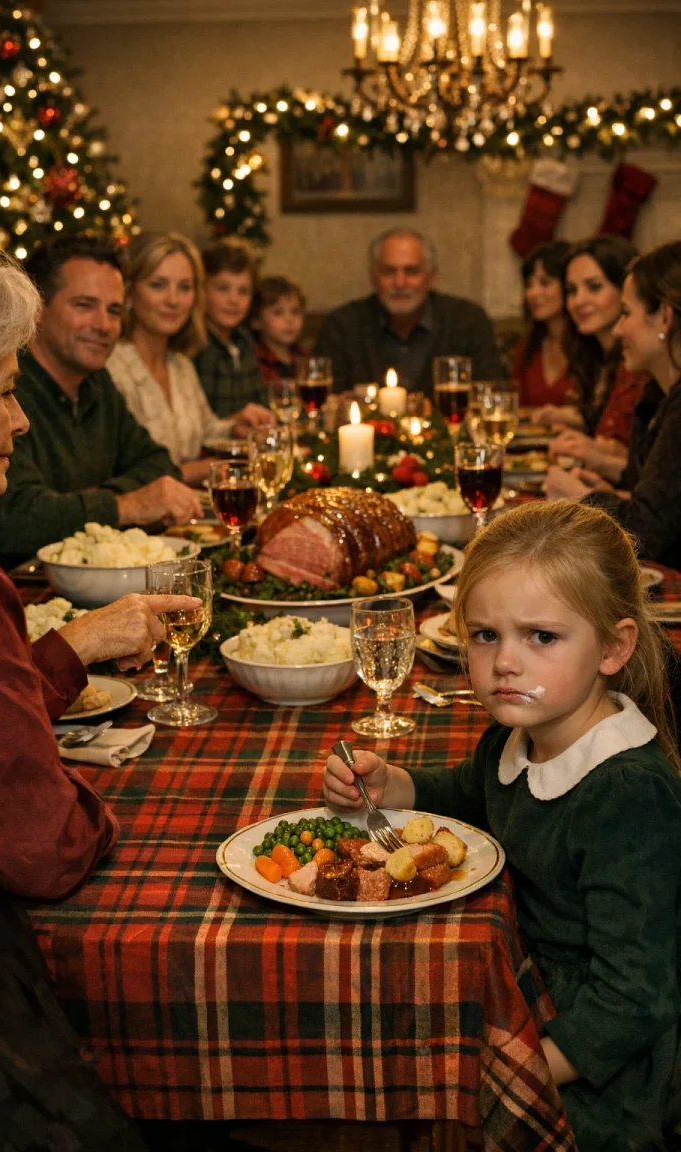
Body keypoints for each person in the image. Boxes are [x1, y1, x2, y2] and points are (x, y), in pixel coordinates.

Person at [0, 231, 209, 1149]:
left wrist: (66, 651)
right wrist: (109, 804)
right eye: (5, 391)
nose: (23, 418)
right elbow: (42, 848)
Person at [324, 499, 681, 1151]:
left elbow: (635, 1000)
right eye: (485, 635)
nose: (505, 663)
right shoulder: (521, 736)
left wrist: (520, 1071)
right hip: (523, 989)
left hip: (600, 1070)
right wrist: (391, 784)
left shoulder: (626, 794)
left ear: (614, 646)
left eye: (540, 637)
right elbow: (472, 791)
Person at [0, 234, 202, 567]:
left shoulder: (97, 383)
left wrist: (75, 503)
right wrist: (125, 505)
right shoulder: (4, 387)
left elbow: (160, 465)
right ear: (38, 309)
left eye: (114, 311)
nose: (103, 325)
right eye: (84, 305)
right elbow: (15, 519)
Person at [546, 241, 681, 570]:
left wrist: (582, 499)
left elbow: (646, 533)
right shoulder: (659, 395)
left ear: (664, 317)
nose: (619, 329)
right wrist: (611, 494)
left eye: (626, 313)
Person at [107, 232, 271, 487]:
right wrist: (209, 468)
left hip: (191, 515)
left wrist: (235, 426)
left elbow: (206, 430)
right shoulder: (111, 368)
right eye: (158, 285)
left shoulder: (180, 364)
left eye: (184, 287)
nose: (173, 300)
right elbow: (123, 478)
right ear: (129, 292)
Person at [313, 227, 502, 395]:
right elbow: (327, 400)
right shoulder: (342, 326)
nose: (400, 283)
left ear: (431, 277)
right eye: (389, 272)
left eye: (411, 272)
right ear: (373, 277)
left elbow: (490, 393)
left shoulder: (468, 321)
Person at [539, 237, 646, 470]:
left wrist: (594, 450)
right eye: (571, 290)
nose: (578, 301)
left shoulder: (639, 363)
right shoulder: (595, 356)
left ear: (626, 289)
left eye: (594, 287)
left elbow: (642, 466)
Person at [193, 237, 268, 417]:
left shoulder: (244, 341)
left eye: (243, 291)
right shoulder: (195, 346)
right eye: (223, 288)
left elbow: (260, 401)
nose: (234, 301)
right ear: (202, 290)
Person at [510, 240, 575, 409]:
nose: (532, 293)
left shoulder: (592, 348)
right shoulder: (528, 348)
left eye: (545, 283)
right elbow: (517, 409)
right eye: (529, 284)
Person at [249, 275, 309, 385]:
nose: (289, 320)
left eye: (295, 312)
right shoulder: (253, 359)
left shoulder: (303, 355)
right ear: (256, 321)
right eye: (278, 313)